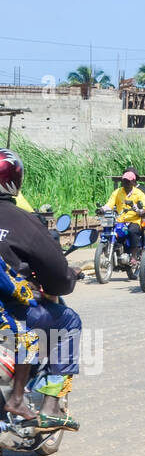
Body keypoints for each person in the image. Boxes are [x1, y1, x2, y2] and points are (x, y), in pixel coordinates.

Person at [0, 148, 81, 430]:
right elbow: (57, 275)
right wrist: (68, 278)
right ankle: (50, 407)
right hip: (10, 313)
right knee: (68, 321)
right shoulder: (23, 220)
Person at [105, 169, 145, 272]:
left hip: (134, 220)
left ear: (133, 182)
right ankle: (114, 253)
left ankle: (134, 255)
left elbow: (144, 209)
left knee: (133, 231)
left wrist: (137, 209)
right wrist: (102, 209)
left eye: (128, 181)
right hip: (120, 220)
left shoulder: (139, 193)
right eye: (124, 181)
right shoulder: (117, 192)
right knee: (112, 232)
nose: (125, 183)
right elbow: (110, 204)